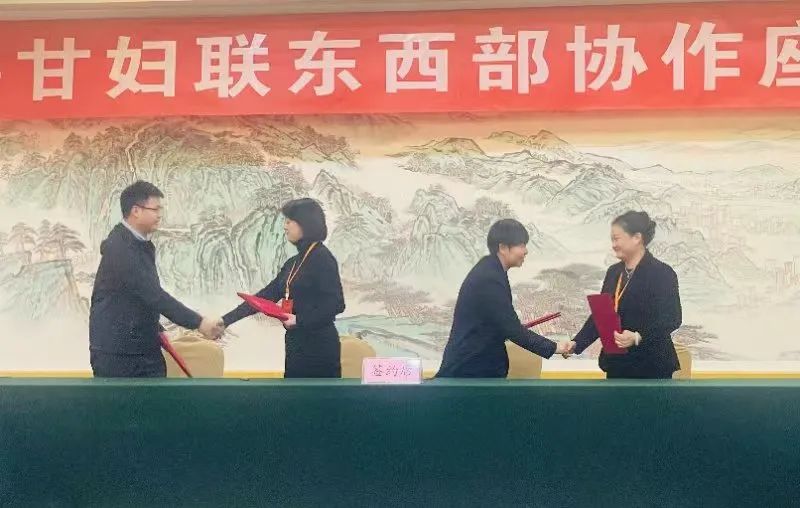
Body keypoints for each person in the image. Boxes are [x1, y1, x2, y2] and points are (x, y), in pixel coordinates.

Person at [89, 180, 223, 378]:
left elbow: (138, 297)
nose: (160, 215)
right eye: (155, 209)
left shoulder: (140, 244)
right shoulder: (120, 248)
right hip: (119, 354)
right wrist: (199, 322)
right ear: (136, 211)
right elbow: (152, 294)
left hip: (143, 347)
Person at [221, 198, 345, 378]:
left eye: (289, 221)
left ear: (305, 223)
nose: (285, 226)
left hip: (319, 349)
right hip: (295, 344)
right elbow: (265, 296)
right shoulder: (293, 263)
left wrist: (299, 320)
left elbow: (336, 303)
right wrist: (225, 321)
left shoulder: (322, 258)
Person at [436, 219, 573, 378]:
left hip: (475, 370)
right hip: (469, 373)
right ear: (503, 248)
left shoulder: (491, 270)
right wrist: (556, 347)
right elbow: (512, 329)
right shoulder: (489, 278)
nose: (526, 251)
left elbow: (501, 325)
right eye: (521, 245)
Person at [572, 211, 682, 379]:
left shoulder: (662, 273)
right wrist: (576, 344)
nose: (613, 245)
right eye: (612, 240)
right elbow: (602, 316)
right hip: (616, 364)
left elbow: (672, 318)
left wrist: (638, 337)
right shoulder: (613, 272)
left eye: (617, 239)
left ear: (637, 238)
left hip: (652, 365)